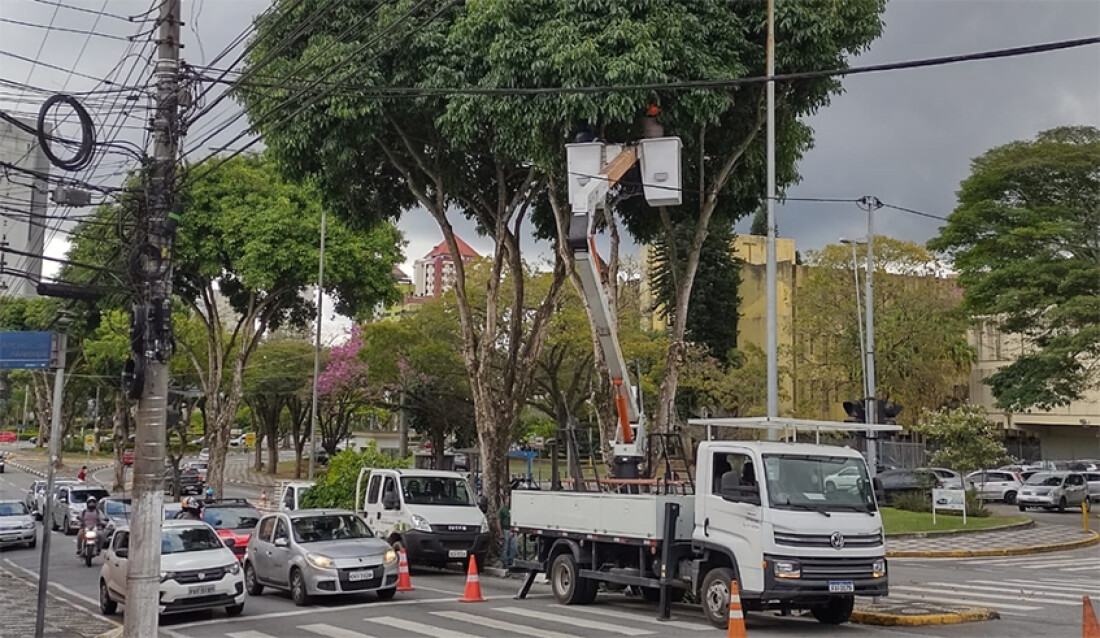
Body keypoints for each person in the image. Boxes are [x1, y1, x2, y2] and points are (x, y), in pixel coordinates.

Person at [498, 493, 516, 568]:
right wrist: (501, 532)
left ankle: (511, 561)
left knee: (513, 547)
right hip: (505, 530)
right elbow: (498, 521)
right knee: (505, 546)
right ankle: (504, 562)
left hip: (511, 530)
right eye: (507, 499)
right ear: (505, 500)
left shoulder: (513, 509)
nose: (509, 501)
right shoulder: (502, 510)